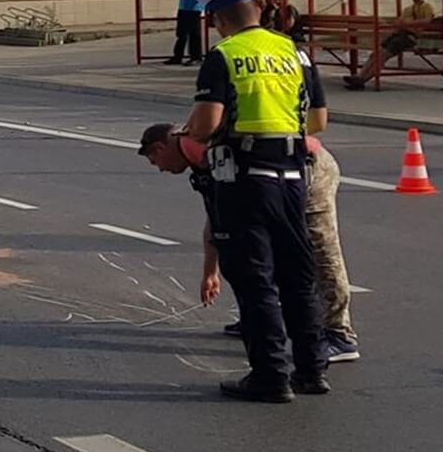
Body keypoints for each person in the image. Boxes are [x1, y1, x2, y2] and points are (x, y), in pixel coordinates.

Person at [183, 0, 327, 402]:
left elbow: (206, 125)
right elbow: (317, 120)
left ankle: (270, 375)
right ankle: (312, 370)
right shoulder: (295, 52)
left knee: (255, 278)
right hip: (293, 176)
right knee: (297, 277)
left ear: (219, 20)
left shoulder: (224, 56)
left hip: (245, 178)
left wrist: (199, 129)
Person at [140, 112, 361, 368]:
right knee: (258, 248)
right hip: (268, 181)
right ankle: (260, 318)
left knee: (321, 251)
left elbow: (308, 139)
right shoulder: (200, 159)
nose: (160, 169)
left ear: (160, 147)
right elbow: (217, 218)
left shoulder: (209, 146)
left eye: (155, 160)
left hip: (305, 170)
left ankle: (339, 335)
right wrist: (211, 271)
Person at [344, 0, 436, 90]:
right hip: (400, 34)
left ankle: (363, 79)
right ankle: (360, 76)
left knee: (382, 55)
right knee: (375, 54)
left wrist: (407, 24)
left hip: (410, 37)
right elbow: (398, 22)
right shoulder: (408, 9)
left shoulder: (427, 7)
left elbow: (426, 21)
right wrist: (399, 25)